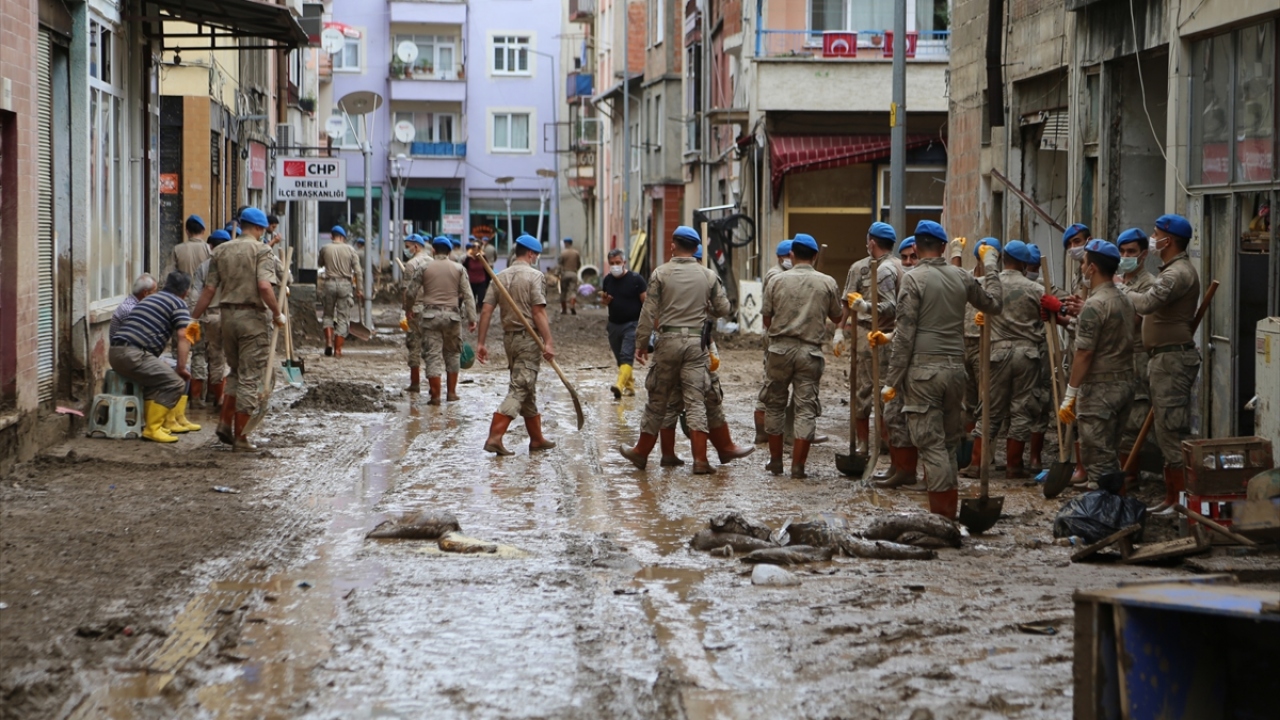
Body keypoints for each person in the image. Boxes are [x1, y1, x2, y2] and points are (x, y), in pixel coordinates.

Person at [882, 220, 1004, 518]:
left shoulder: (913, 279)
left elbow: (905, 335)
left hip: (923, 374)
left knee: (931, 445)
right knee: (948, 444)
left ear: (916, 247)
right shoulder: (962, 277)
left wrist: (892, 380)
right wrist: (990, 266)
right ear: (943, 247)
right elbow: (994, 304)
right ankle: (948, 517)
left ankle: (942, 520)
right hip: (955, 372)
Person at [619, 226, 731, 474]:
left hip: (667, 341)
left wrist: (641, 344)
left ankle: (641, 453)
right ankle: (700, 461)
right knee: (696, 400)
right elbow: (724, 309)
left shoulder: (660, 274)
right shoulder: (708, 276)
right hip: (695, 344)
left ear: (672, 246)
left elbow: (648, 312)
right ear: (696, 248)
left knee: (658, 400)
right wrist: (706, 308)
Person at [1119, 214, 1201, 513]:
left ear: (1169, 240)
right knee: (1166, 430)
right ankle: (1171, 496)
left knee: (1171, 430)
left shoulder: (1177, 274)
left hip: (1173, 359)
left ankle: (1181, 500)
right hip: (1162, 359)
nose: (1152, 240)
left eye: (1155, 235)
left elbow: (1147, 303)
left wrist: (1121, 289)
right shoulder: (1170, 270)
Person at [190, 207, 286, 452]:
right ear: (260, 228)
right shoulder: (262, 250)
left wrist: (193, 318)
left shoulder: (221, 250)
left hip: (227, 317)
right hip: (251, 319)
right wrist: (277, 313)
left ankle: (225, 423)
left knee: (234, 372)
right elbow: (264, 286)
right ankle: (241, 437)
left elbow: (209, 290)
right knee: (250, 376)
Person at [761, 233, 843, 478]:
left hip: (779, 350)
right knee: (806, 408)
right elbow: (837, 317)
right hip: (810, 352)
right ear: (815, 256)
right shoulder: (827, 282)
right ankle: (798, 467)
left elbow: (767, 319)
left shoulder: (776, 280)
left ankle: (776, 461)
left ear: (792, 254)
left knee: (774, 405)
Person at [1057, 239, 1135, 489]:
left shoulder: (1095, 304)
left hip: (1100, 389)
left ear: (1093, 268)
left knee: (1097, 454)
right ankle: (1113, 499)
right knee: (1110, 449)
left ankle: (1103, 504)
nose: (1081, 268)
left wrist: (1070, 394)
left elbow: (1085, 353)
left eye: (1083, 263)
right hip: (1124, 384)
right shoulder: (1124, 299)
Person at [962, 240, 1044, 480]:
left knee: (989, 409)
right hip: (1027, 354)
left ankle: (976, 464)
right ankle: (1014, 466)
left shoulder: (989, 284)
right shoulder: (1036, 289)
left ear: (1003, 259)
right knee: (1021, 410)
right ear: (1024, 263)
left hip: (997, 352)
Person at [476, 234, 558, 455]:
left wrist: (481, 342)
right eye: (536, 255)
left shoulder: (499, 276)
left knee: (526, 386)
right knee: (520, 386)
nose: (536, 258)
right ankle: (495, 436)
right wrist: (548, 341)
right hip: (528, 339)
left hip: (509, 339)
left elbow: (486, 311)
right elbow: (538, 312)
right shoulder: (535, 276)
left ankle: (537, 439)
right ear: (530, 254)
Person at [109, 271, 199, 443]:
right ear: (186, 291)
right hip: (134, 354)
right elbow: (184, 335)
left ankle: (159, 423)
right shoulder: (178, 303)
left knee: (154, 382)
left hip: (116, 353)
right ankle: (152, 429)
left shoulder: (149, 299)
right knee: (175, 382)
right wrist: (181, 367)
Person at [840, 222, 902, 459]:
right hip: (865, 335)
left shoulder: (895, 268)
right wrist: (840, 330)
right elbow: (847, 302)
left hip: (889, 335)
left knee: (887, 390)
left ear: (872, 242)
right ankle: (864, 443)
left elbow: (892, 306)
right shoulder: (859, 268)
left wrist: (865, 306)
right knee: (863, 390)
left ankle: (886, 440)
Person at [1115, 228, 1156, 488]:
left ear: (1143, 255)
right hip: (1117, 356)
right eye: (1122, 251)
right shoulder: (1117, 281)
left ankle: (1129, 475)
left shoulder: (1148, 284)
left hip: (1137, 358)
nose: (1126, 256)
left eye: (1131, 251)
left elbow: (1135, 319)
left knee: (1134, 417)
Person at [416, 236, 477, 404]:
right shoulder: (459, 269)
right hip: (452, 317)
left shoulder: (424, 267)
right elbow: (468, 295)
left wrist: (408, 310)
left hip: (430, 317)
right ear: (449, 252)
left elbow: (411, 291)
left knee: (433, 355)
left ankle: (435, 396)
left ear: (433, 250)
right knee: (453, 353)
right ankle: (451, 393)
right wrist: (472, 318)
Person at [753, 240, 793, 443]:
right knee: (772, 382)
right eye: (789, 256)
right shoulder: (775, 275)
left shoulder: (786, 274)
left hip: (782, 333)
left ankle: (784, 431)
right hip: (775, 334)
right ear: (781, 257)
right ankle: (762, 431)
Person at [190, 230, 231, 408]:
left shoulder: (204, 267)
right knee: (221, 358)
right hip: (228, 316)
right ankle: (220, 398)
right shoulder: (233, 266)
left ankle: (198, 398)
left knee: (200, 355)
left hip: (205, 316)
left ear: (210, 246)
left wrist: (193, 319)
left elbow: (195, 296)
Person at [601, 248, 647, 399]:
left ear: (624, 262)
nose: (615, 266)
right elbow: (604, 299)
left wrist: (648, 325)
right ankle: (630, 386)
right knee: (620, 358)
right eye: (612, 263)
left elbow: (646, 302)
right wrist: (605, 301)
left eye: (618, 262)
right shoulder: (607, 280)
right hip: (614, 324)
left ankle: (619, 386)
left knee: (627, 355)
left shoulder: (636, 280)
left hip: (632, 325)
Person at [317, 225, 363, 357]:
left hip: (329, 283)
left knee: (328, 315)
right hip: (345, 284)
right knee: (342, 318)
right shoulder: (350, 250)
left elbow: (320, 263)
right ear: (343, 237)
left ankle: (328, 342)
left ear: (332, 236)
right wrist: (359, 289)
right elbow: (358, 272)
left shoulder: (325, 248)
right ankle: (337, 350)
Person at [400, 234, 431, 392]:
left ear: (416, 246)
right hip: (431, 310)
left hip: (416, 309)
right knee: (432, 347)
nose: (406, 250)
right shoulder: (433, 262)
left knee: (414, 345)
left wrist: (406, 310)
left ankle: (415, 383)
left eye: (407, 247)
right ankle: (434, 386)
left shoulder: (411, 265)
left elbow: (406, 291)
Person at [557, 238, 582, 315]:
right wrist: (575, 270)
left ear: (565, 244)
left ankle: (564, 309)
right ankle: (572, 306)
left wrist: (558, 273)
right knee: (573, 291)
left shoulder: (563, 253)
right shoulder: (576, 253)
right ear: (571, 243)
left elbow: (559, 264)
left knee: (563, 292)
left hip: (564, 274)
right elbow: (579, 264)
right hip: (573, 274)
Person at [463, 239, 490, 308]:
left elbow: (487, 269)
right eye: (474, 249)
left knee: (481, 299)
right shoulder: (468, 258)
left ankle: (479, 310)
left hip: (481, 281)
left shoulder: (483, 257)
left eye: (477, 249)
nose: (476, 251)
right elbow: (464, 268)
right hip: (471, 281)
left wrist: (487, 283)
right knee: (472, 300)